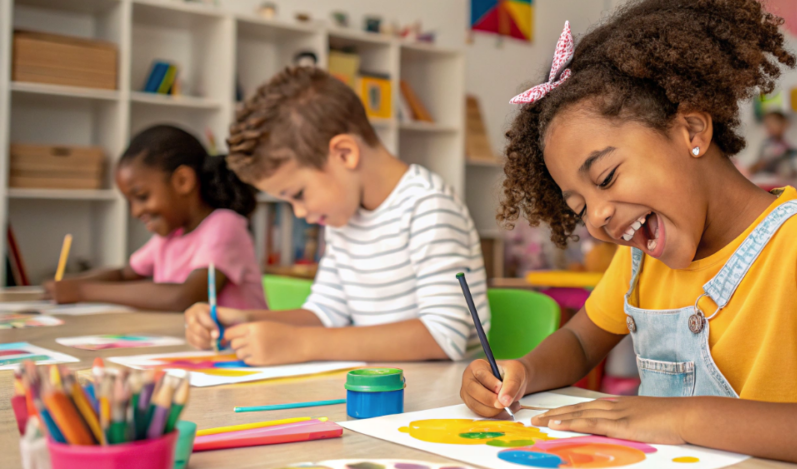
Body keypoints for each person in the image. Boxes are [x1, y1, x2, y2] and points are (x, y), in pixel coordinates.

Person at [459, 0, 797, 469]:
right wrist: (522, 373)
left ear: (692, 130)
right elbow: (580, 343)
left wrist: (684, 416)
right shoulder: (640, 261)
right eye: (578, 207)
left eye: (607, 177)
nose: (597, 218)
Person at [184, 66, 488, 365]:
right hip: (373, 387)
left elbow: (443, 336)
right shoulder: (344, 216)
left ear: (344, 153)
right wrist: (243, 319)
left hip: (436, 396)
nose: (300, 212)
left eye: (298, 194)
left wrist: (298, 344)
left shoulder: (428, 206)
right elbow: (325, 313)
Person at [44, 125, 266, 312]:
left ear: (182, 181)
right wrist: (71, 284)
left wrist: (82, 291)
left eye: (142, 196)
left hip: (238, 354)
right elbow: (124, 274)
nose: (135, 212)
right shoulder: (170, 237)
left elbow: (186, 297)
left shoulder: (224, 225)